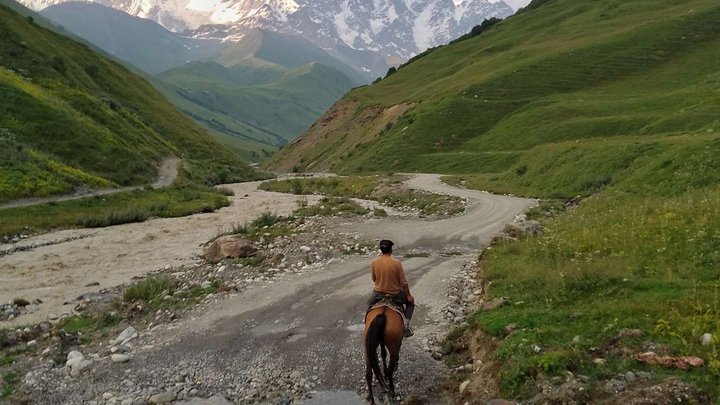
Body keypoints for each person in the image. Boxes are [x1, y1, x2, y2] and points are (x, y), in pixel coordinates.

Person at [367, 239, 415, 337]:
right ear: (391, 250)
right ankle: (406, 326)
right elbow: (404, 283)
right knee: (410, 304)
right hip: (395, 295)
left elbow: (374, 278)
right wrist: (408, 295)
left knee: (368, 305)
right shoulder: (396, 263)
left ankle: (366, 323)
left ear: (381, 250)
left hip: (378, 294)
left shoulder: (374, 262)